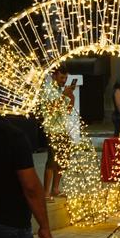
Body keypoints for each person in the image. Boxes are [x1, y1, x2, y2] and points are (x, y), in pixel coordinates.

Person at [42, 69, 79, 200]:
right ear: (54, 75)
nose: (64, 81)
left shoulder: (60, 90)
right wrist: (64, 95)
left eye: (65, 78)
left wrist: (71, 96)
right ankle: (46, 192)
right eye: (62, 77)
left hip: (64, 129)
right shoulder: (48, 89)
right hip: (53, 130)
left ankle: (55, 189)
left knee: (63, 162)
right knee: (51, 162)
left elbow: (68, 110)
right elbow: (51, 109)